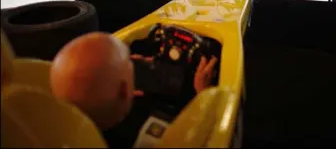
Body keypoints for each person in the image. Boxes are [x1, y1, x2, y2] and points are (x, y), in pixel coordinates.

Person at [50, 32, 217, 147]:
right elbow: (206, 137)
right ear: (125, 91)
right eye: (130, 62)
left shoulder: (72, 138)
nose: (138, 59)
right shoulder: (157, 139)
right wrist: (202, 93)